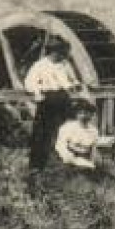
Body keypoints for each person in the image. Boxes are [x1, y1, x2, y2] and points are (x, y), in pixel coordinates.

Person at [24, 38, 84, 171]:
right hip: (47, 100)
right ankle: (37, 166)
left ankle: (69, 164)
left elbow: (73, 80)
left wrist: (75, 85)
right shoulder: (40, 65)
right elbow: (29, 82)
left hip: (63, 99)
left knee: (68, 129)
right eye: (58, 52)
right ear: (51, 52)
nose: (60, 55)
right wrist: (38, 92)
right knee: (41, 134)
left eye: (62, 52)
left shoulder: (65, 64)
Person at [55, 99, 100, 171]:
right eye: (80, 113)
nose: (83, 116)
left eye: (86, 113)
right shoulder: (67, 127)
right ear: (76, 114)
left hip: (86, 161)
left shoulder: (94, 131)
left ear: (91, 115)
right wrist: (71, 159)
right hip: (69, 161)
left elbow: (93, 150)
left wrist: (93, 161)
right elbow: (60, 146)